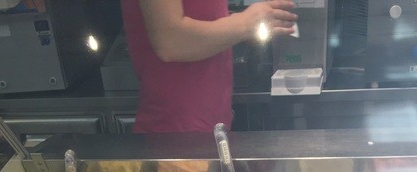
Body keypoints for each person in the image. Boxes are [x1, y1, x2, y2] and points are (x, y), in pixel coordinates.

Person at [121, 0, 298, 133]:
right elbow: (170, 42)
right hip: (175, 137)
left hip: (209, 131)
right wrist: (245, 24)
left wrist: (240, 25)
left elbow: (198, 16)